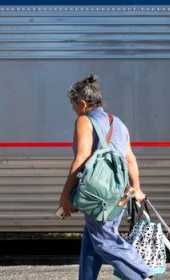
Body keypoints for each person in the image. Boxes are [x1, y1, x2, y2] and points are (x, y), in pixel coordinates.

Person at [59, 74, 152, 280]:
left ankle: (141, 275)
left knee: (105, 241)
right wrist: (137, 188)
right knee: (93, 238)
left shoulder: (84, 120)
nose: (72, 109)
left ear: (83, 104)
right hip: (121, 193)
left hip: (99, 194)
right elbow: (130, 158)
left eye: (73, 104)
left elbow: (82, 157)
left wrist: (65, 196)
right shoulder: (118, 123)